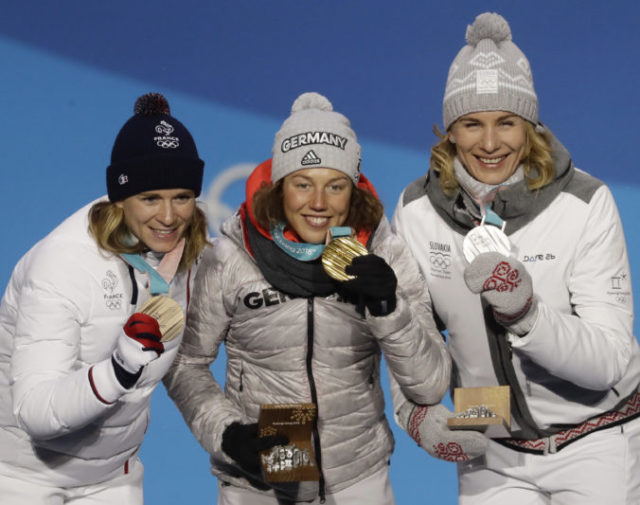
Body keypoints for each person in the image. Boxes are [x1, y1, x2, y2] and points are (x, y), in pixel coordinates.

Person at [391, 11, 640, 505]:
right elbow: (409, 335)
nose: (488, 143)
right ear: (449, 130)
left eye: (506, 122)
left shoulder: (586, 203)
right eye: (471, 124)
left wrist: (527, 316)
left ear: (530, 125)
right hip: (490, 446)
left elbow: (610, 362)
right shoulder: (416, 210)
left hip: (596, 440)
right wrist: (414, 413)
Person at [163, 91, 451, 504]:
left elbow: (429, 386)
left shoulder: (383, 251)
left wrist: (390, 309)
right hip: (260, 479)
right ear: (280, 186)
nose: (318, 204)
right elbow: (185, 363)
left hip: (358, 476)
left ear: (354, 190)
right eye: (303, 184)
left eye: (335, 186)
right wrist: (228, 434)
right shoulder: (230, 255)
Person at [0, 92, 208, 504]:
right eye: (150, 198)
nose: (168, 216)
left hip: (113, 477)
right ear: (120, 197)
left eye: (182, 197)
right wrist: (117, 370)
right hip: (21, 476)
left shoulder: (189, 250)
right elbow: (36, 411)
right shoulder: (61, 266)